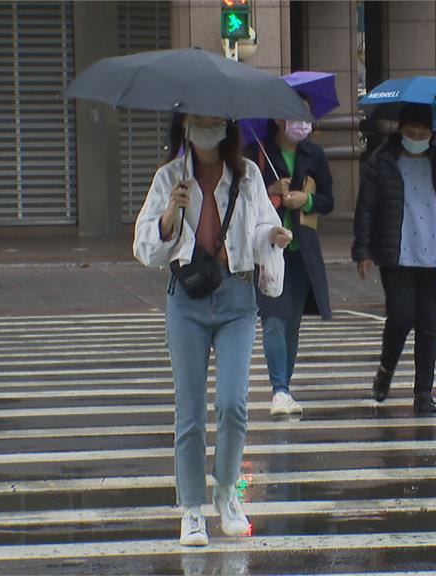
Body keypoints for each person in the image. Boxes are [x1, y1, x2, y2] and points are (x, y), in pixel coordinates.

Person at [133, 113, 291, 547]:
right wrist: (170, 213)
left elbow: (258, 229)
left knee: (233, 404)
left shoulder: (249, 174)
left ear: (226, 125)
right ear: (184, 126)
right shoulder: (169, 177)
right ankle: (191, 510)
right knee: (189, 411)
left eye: (213, 118)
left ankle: (226, 495)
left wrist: (272, 235)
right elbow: (145, 247)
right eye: (196, 118)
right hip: (186, 301)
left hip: (237, 298)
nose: (205, 125)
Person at [352, 104, 436, 415]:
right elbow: (366, 208)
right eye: (411, 132)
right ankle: (386, 369)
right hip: (395, 254)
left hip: (434, 255)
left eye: (423, 133)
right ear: (400, 129)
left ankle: (423, 393)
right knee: (400, 317)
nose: (417, 137)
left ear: (432, 132)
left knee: (429, 325)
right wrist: (362, 250)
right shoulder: (382, 161)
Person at [244, 107, 334, 418]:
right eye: (295, 115)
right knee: (273, 320)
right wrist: (271, 193)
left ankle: (284, 387)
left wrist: (305, 200)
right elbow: (241, 199)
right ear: (278, 119)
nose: (302, 123)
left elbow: (328, 200)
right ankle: (279, 389)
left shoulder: (314, 154)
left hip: (301, 251)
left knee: (291, 325)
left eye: (306, 115)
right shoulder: (255, 152)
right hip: (268, 249)